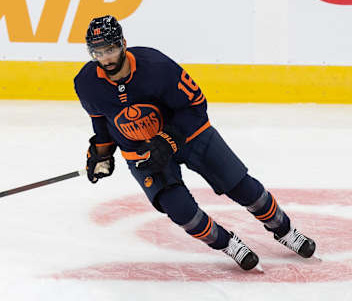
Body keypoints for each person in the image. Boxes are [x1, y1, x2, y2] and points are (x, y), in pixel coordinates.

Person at [74, 15, 316, 271]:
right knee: (180, 211)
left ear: (123, 43)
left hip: (190, 135)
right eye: (98, 52)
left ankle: (285, 230)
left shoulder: (156, 66)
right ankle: (228, 244)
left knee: (243, 188)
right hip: (141, 151)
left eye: (110, 49)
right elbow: (101, 123)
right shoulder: (86, 83)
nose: (106, 59)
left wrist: (167, 140)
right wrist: (101, 153)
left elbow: (196, 106)